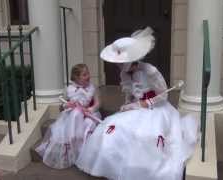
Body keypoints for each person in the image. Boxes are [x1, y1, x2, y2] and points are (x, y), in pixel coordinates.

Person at [75, 27, 199, 180]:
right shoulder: (124, 73)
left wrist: (141, 104)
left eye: (121, 63)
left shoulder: (150, 71)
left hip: (155, 109)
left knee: (143, 134)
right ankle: (111, 166)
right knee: (111, 126)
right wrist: (127, 104)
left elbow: (163, 96)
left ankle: (137, 171)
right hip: (135, 109)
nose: (118, 66)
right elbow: (129, 94)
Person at [36, 63, 101, 169]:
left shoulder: (92, 88)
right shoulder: (69, 89)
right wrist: (66, 105)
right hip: (73, 117)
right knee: (74, 117)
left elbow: (98, 103)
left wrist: (90, 109)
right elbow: (61, 107)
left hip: (89, 114)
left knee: (88, 125)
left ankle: (84, 155)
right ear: (76, 78)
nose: (88, 76)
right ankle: (73, 150)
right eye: (84, 75)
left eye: (88, 73)